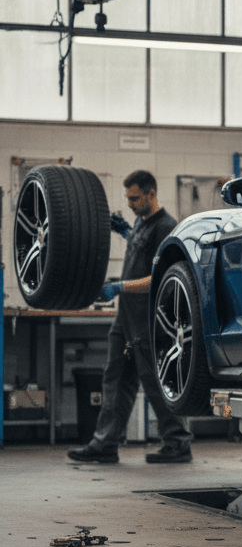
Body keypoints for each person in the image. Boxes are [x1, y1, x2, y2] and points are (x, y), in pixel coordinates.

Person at [68, 171, 194, 465]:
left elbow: (159, 276)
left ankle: (178, 443)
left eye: (135, 198)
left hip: (149, 320)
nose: (130, 204)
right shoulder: (141, 223)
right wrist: (127, 232)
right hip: (125, 318)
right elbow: (142, 251)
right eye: (127, 198)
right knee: (114, 380)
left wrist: (119, 287)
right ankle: (105, 444)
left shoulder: (166, 228)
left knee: (154, 382)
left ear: (151, 194)